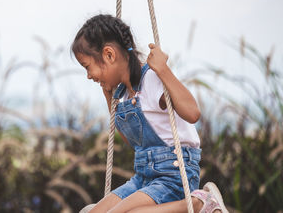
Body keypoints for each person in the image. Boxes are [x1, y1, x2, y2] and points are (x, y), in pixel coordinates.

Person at [71, 14, 228, 213]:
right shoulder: (123, 94)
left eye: (87, 67)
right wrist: (109, 96)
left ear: (109, 55)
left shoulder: (152, 79)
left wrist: (164, 70)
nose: (88, 76)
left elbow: (192, 112)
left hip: (175, 176)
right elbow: (132, 141)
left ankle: (200, 204)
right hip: (144, 178)